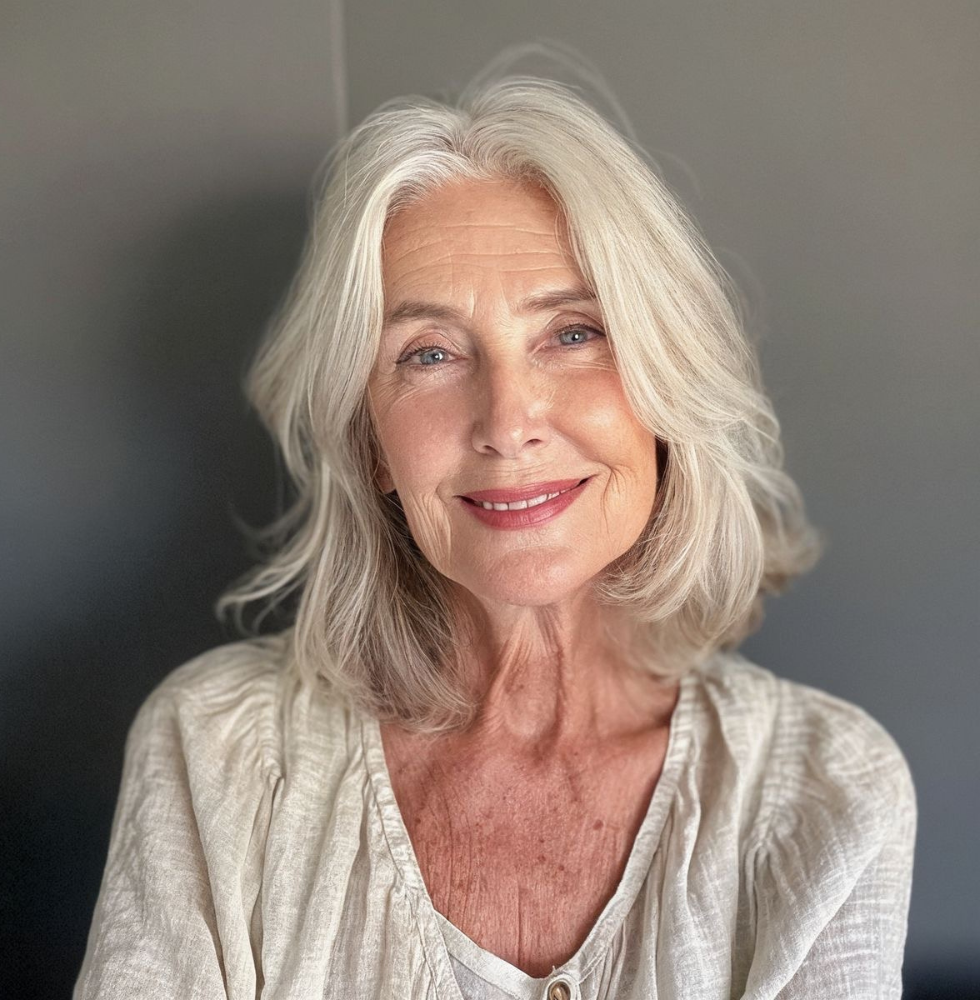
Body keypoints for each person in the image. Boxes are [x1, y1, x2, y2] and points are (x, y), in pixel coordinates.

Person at [73, 70, 917, 1000]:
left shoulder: (821, 793)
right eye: (428, 354)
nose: (508, 421)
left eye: (574, 334)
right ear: (371, 442)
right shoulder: (218, 755)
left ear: (669, 391)